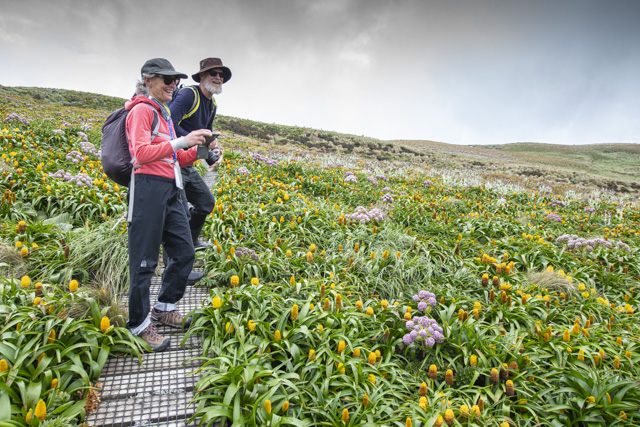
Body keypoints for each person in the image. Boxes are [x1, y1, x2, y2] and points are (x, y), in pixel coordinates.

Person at [125, 58, 211, 352]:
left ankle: (163, 307)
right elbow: (140, 153)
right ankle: (138, 324)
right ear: (148, 80)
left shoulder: (164, 115)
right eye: (167, 79)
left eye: (176, 80)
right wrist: (183, 141)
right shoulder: (141, 110)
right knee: (144, 261)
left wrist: (201, 149)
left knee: (184, 252)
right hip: (147, 188)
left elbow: (176, 157)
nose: (173, 85)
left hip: (172, 188)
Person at [169, 57, 231, 250]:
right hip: (172, 163)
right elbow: (168, 124)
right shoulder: (189, 95)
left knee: (206, 202)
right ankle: (176, 256)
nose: (218, 77)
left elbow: (206, 136)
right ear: (202, 76)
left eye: (221, 75)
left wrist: (213, 150)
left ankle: (191, 242)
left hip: (188, 163)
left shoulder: (212, 105)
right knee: (179, 213)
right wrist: (190, 139)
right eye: (214, 73)